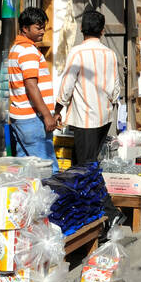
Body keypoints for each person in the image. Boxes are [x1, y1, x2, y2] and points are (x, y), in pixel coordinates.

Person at [56, 9, 123, 168]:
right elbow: (115, 89)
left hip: (85, 120)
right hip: (104, 118)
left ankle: (87, 192)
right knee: (91, 160)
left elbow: (67, 86)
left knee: (84, 165)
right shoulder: (110, 54)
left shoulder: (77, 52)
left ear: (81, 28)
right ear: (102, 31)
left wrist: (57, 110)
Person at [7, 7, 59, 175]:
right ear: (25, 28)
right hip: (31, 118)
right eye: (38, 27)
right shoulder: (28, 51)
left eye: (43, 27)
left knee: (26, 171)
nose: (42, 31)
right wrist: (46, 115)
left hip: (21, 117)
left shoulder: (16, 48)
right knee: (48, 171)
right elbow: (31, 86)